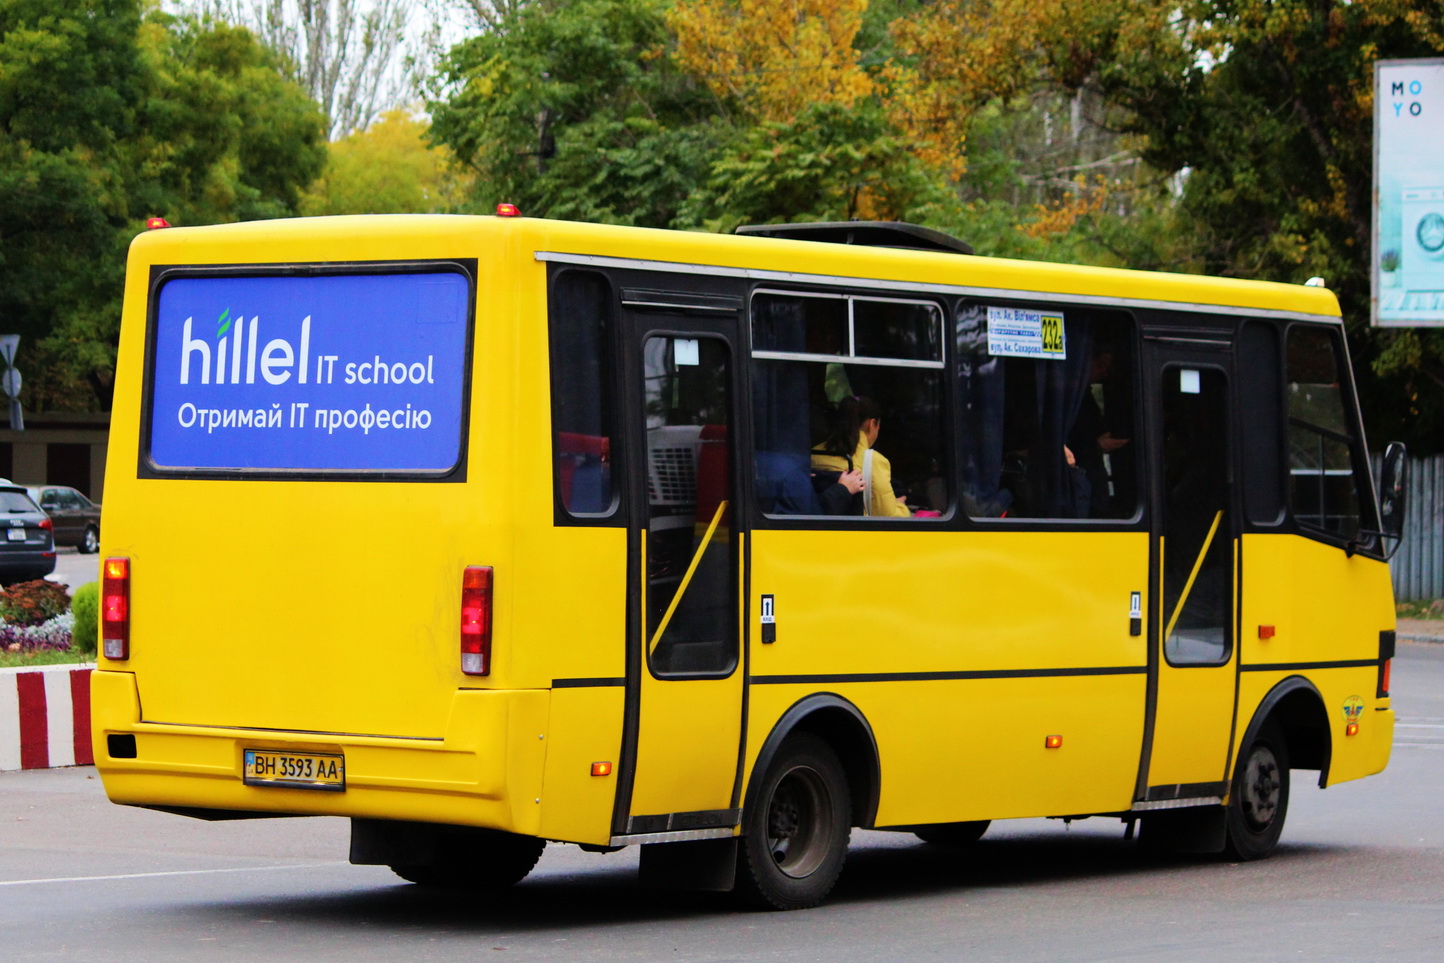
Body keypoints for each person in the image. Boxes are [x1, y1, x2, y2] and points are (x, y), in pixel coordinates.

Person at [811, 397, 913, 517]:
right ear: (872, 424)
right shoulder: (874, 461)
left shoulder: (814, 454)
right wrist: (900, 506)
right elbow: (888, 516)